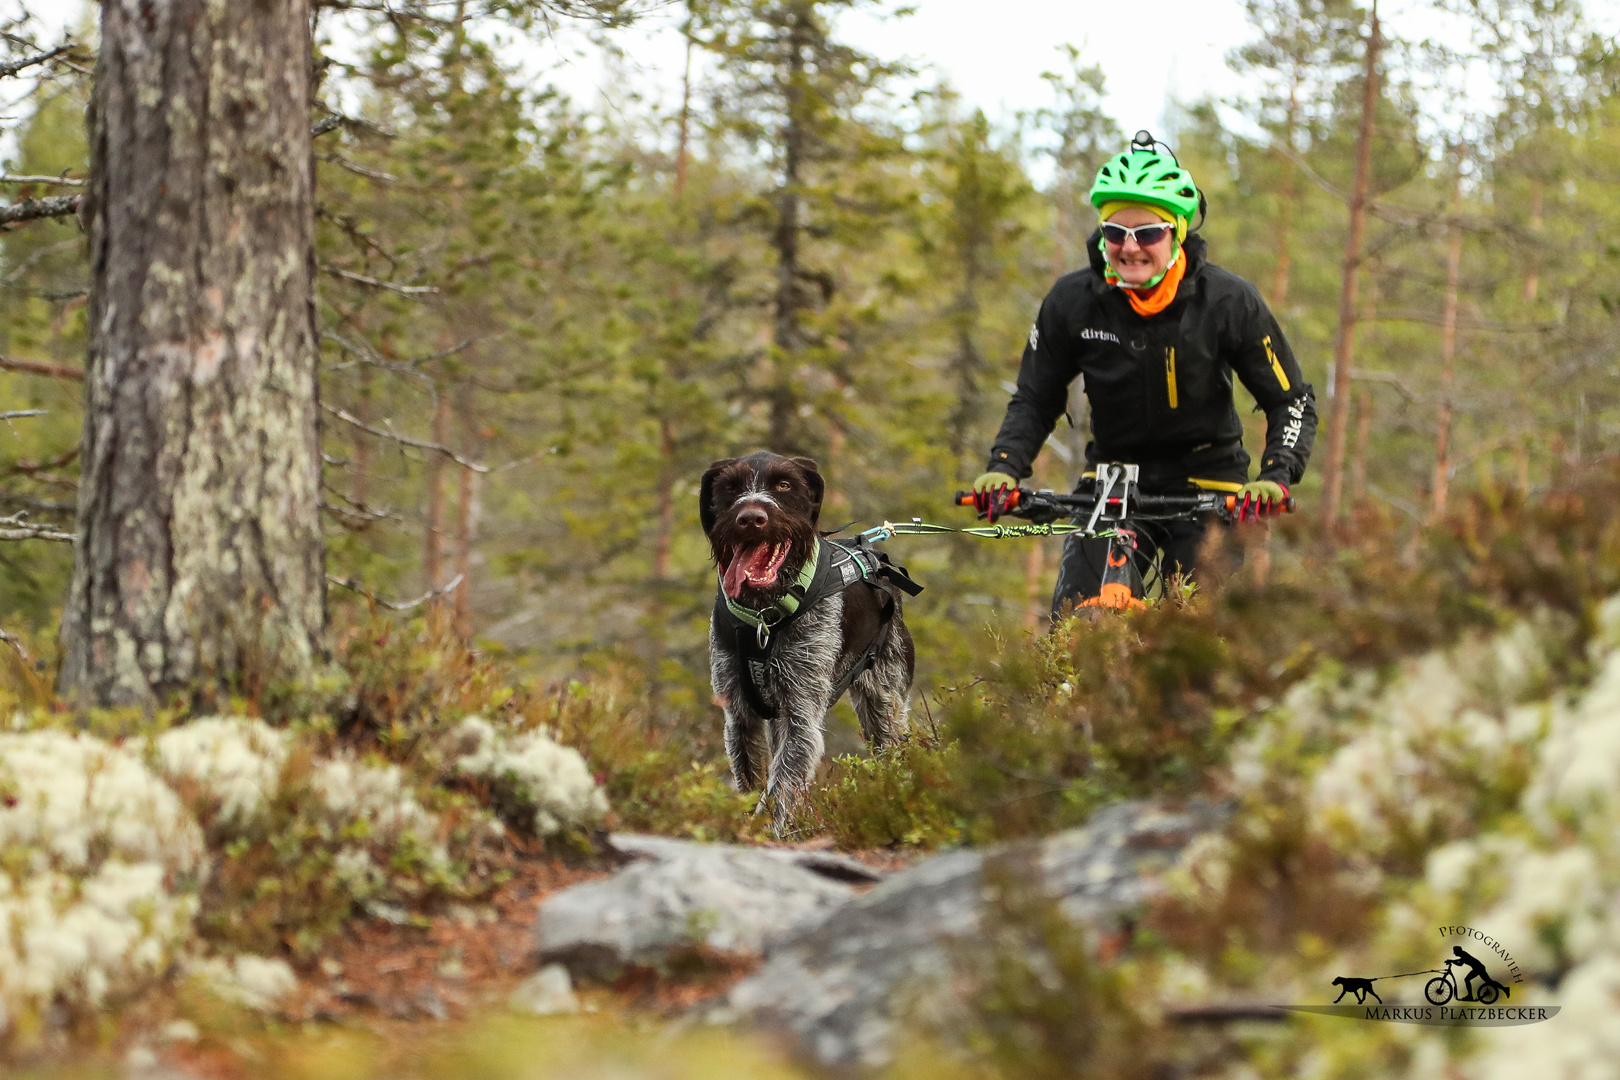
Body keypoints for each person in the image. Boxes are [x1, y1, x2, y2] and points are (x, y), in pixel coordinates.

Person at [971, 131, 1317, 615]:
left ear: (1176, 233)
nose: (1130, 248)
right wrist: (1004, 467)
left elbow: (1291, 400)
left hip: (1209, 486)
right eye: (1116, 233)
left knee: (1200, 637)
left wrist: (1276, 476)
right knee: (1077, 623)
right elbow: (1035, 398)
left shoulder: (1227, 301)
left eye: (1148, 233)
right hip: (1113, 482)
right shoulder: (1073, 301)